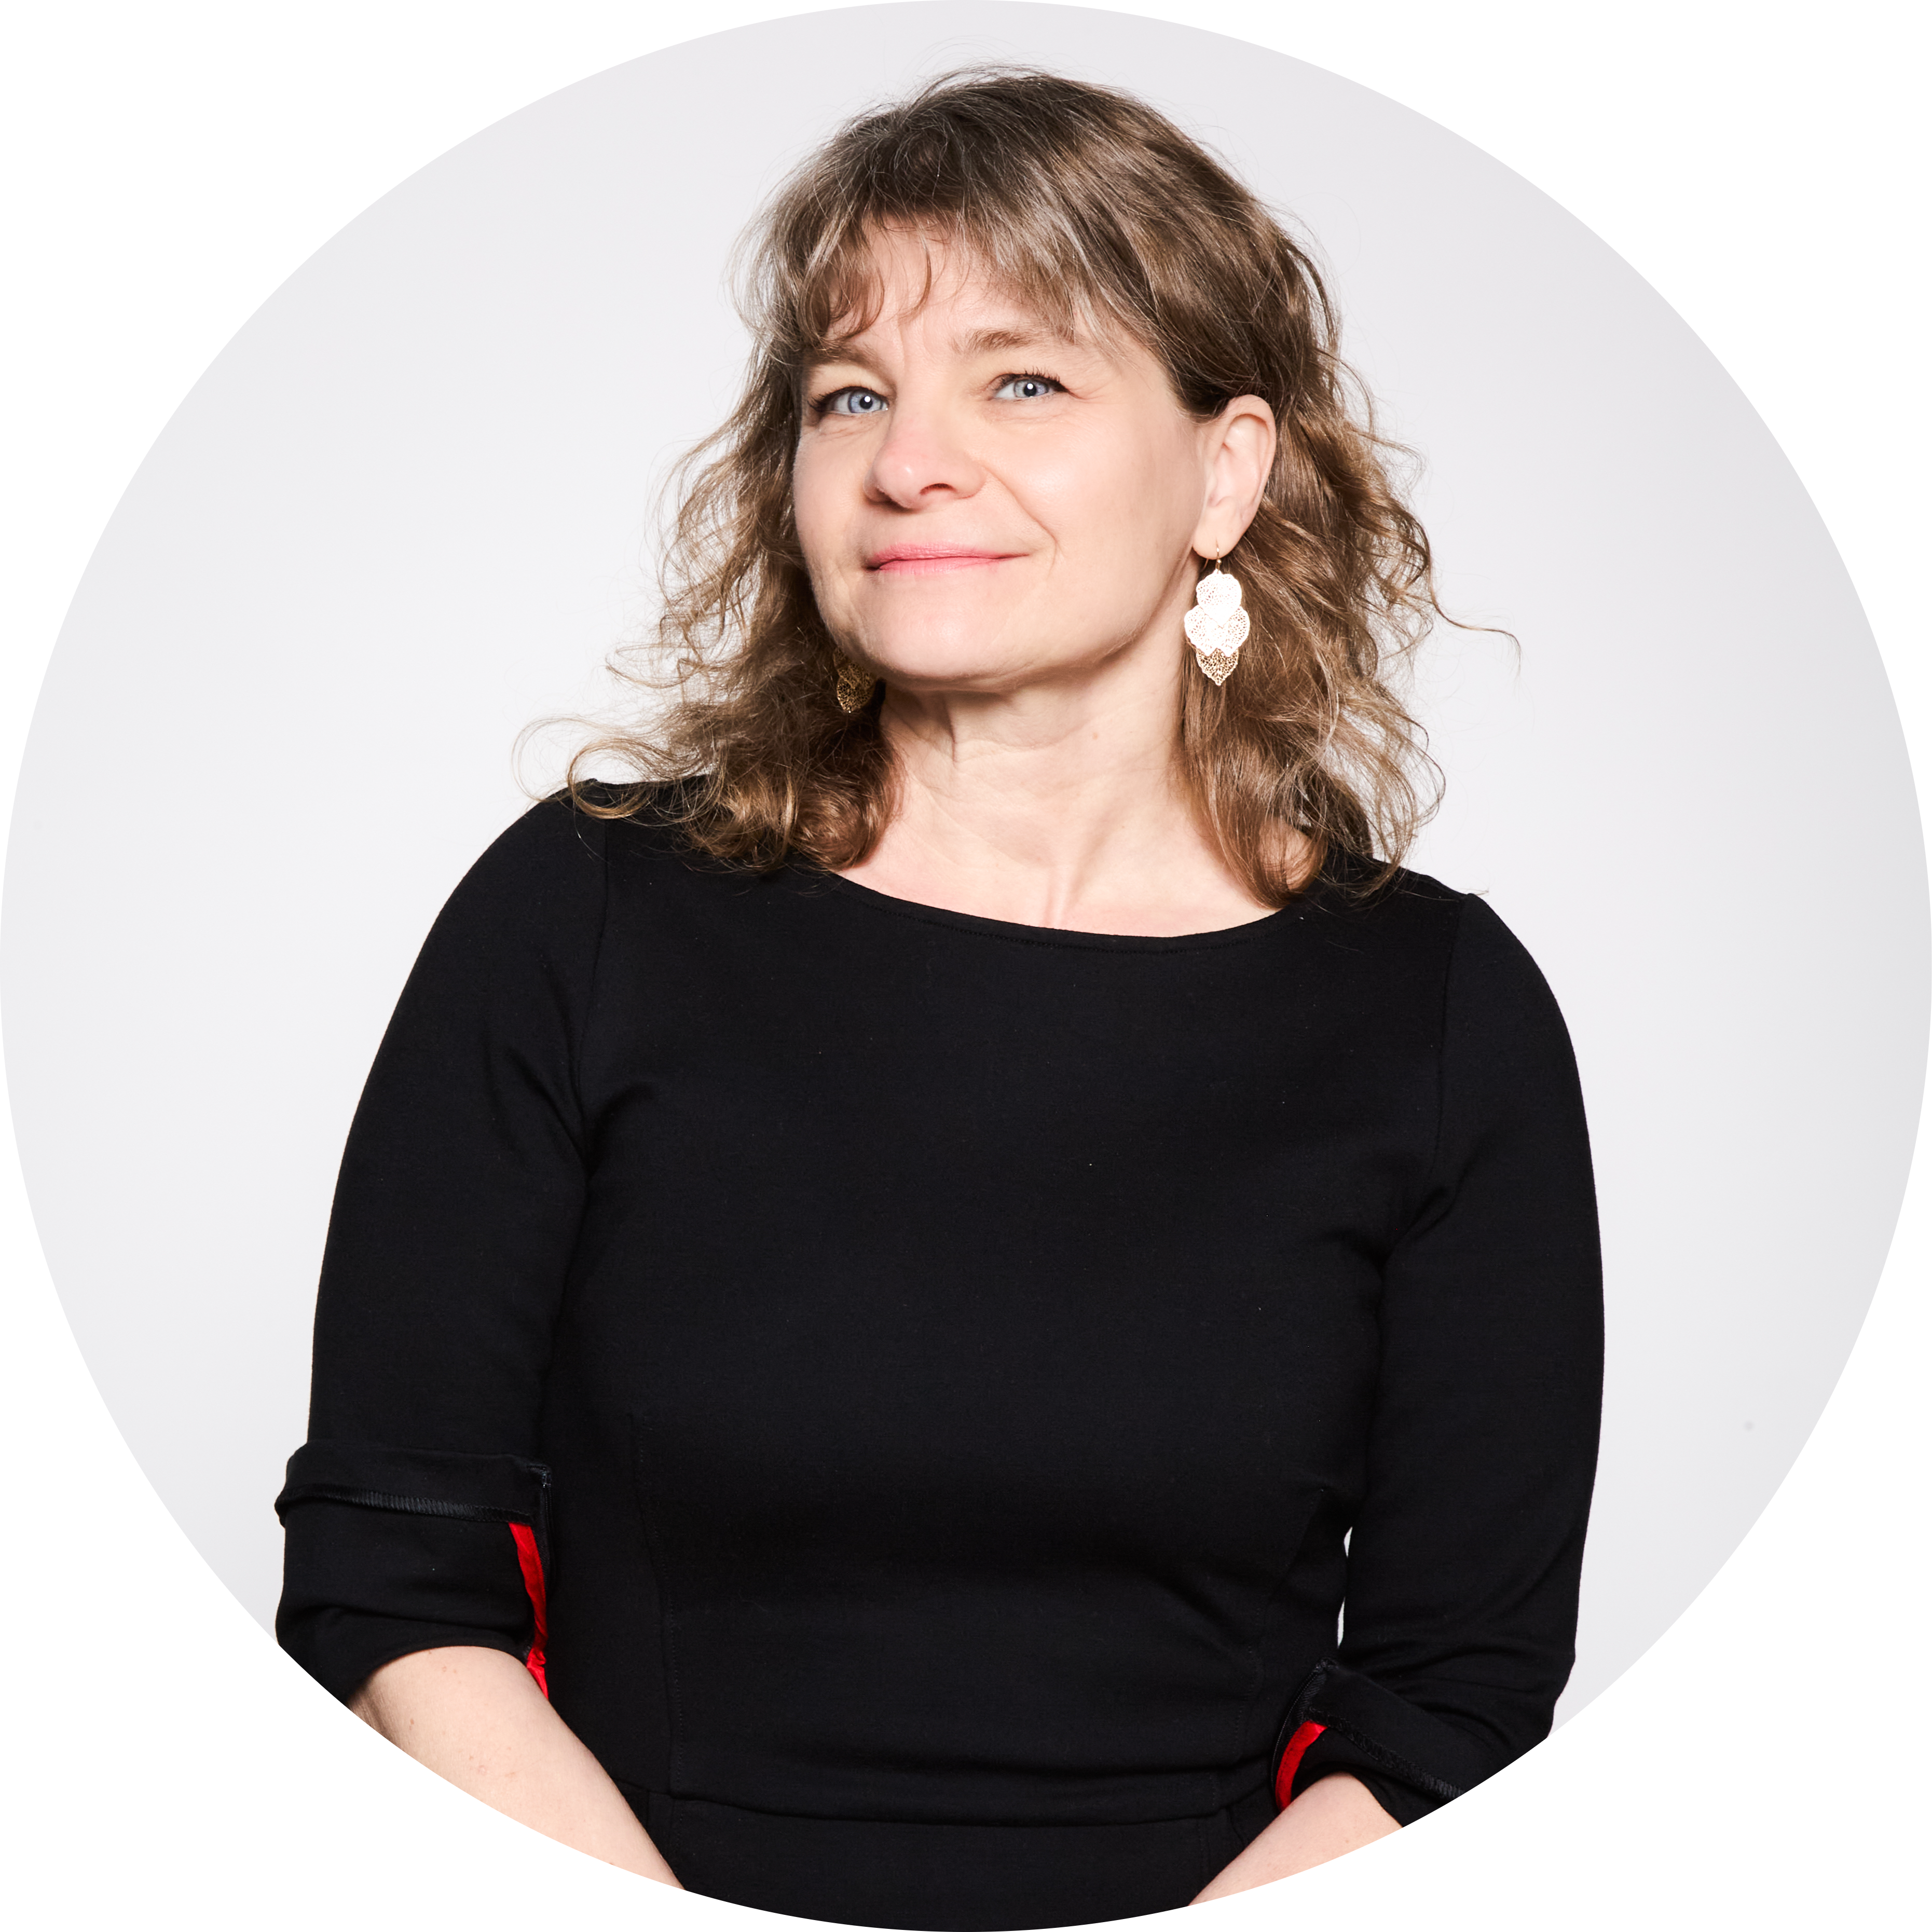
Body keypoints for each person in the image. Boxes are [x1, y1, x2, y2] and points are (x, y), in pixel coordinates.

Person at [276, 68, 1601, 1928]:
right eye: (850, 396)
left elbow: (1454, 1700)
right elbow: (392, 1576)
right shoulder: (581, 916)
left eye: (1025, 380)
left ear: (1228, 470)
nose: (913, 461)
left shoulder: (1442, 1016)